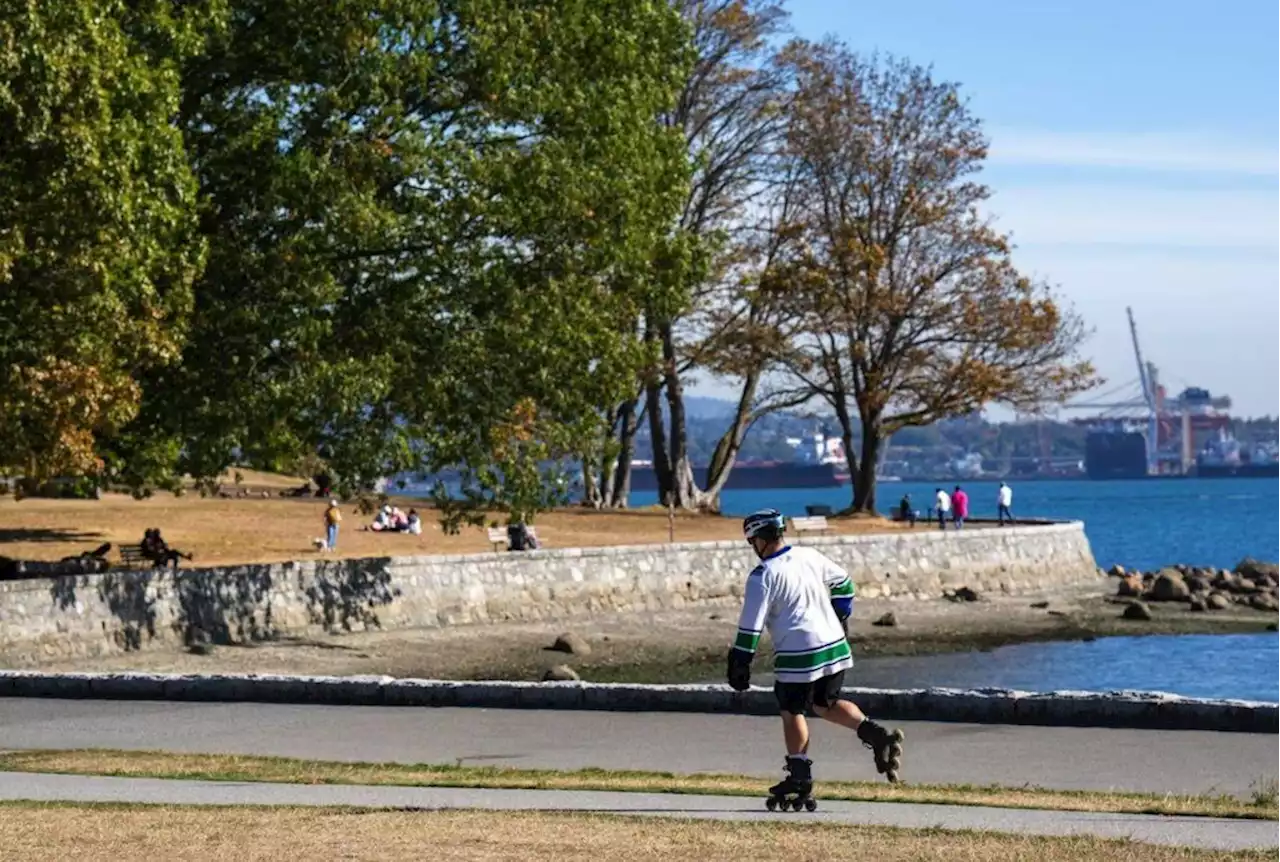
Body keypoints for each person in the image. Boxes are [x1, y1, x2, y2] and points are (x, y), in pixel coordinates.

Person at [726, 509, 905, 802]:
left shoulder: (763, 576)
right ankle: (876, 735)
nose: (753, 548)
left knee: (792, 709)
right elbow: (845, 584)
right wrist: (840, 615)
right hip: (835, 643)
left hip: (800, 651)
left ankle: (799, 776)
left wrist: (740, 661)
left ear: (759, 539)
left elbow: (751, 625)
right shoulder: (809, 555)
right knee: (825, 703)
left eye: (752, 542)